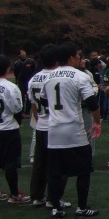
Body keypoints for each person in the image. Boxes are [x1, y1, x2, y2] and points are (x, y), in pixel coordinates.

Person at [41, 42, 102, 219]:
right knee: (84, 170)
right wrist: (97, 122)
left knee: (55, 172)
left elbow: (44, 100)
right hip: (74, 129)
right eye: (77, 56)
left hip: (54, 130)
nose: (79, 59)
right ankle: (81, 207)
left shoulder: (49, 77)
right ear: (70, 58)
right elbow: (92, 103)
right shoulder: (80, 76)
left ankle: (56, 207)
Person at [0, 54, 30, 205]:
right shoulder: (11, 87)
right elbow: (17, 108)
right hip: (9, 129)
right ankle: (14, 194)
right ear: (8, 69)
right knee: (10, 164)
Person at [28, 44, 67, 208]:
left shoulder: (33, 79)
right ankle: (54, 198)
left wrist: (39, 121)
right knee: (58, 164)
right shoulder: (58, 77)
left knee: (39, 163)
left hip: (42, 124)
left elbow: (34, 105)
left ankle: (37, 196)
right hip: (56, 125)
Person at [13, 49, 37, 114]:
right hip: (21, 82)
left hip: (29, 81)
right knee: (21, 96)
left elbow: (34, 70)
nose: (23, 53)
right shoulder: (17, 63)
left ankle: (27, 112)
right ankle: (21, 111)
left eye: (24, 52)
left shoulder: (31, 61)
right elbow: (16, 73)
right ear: (19, 55)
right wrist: (17, 81)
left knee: (29, 96)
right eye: (21, 52)